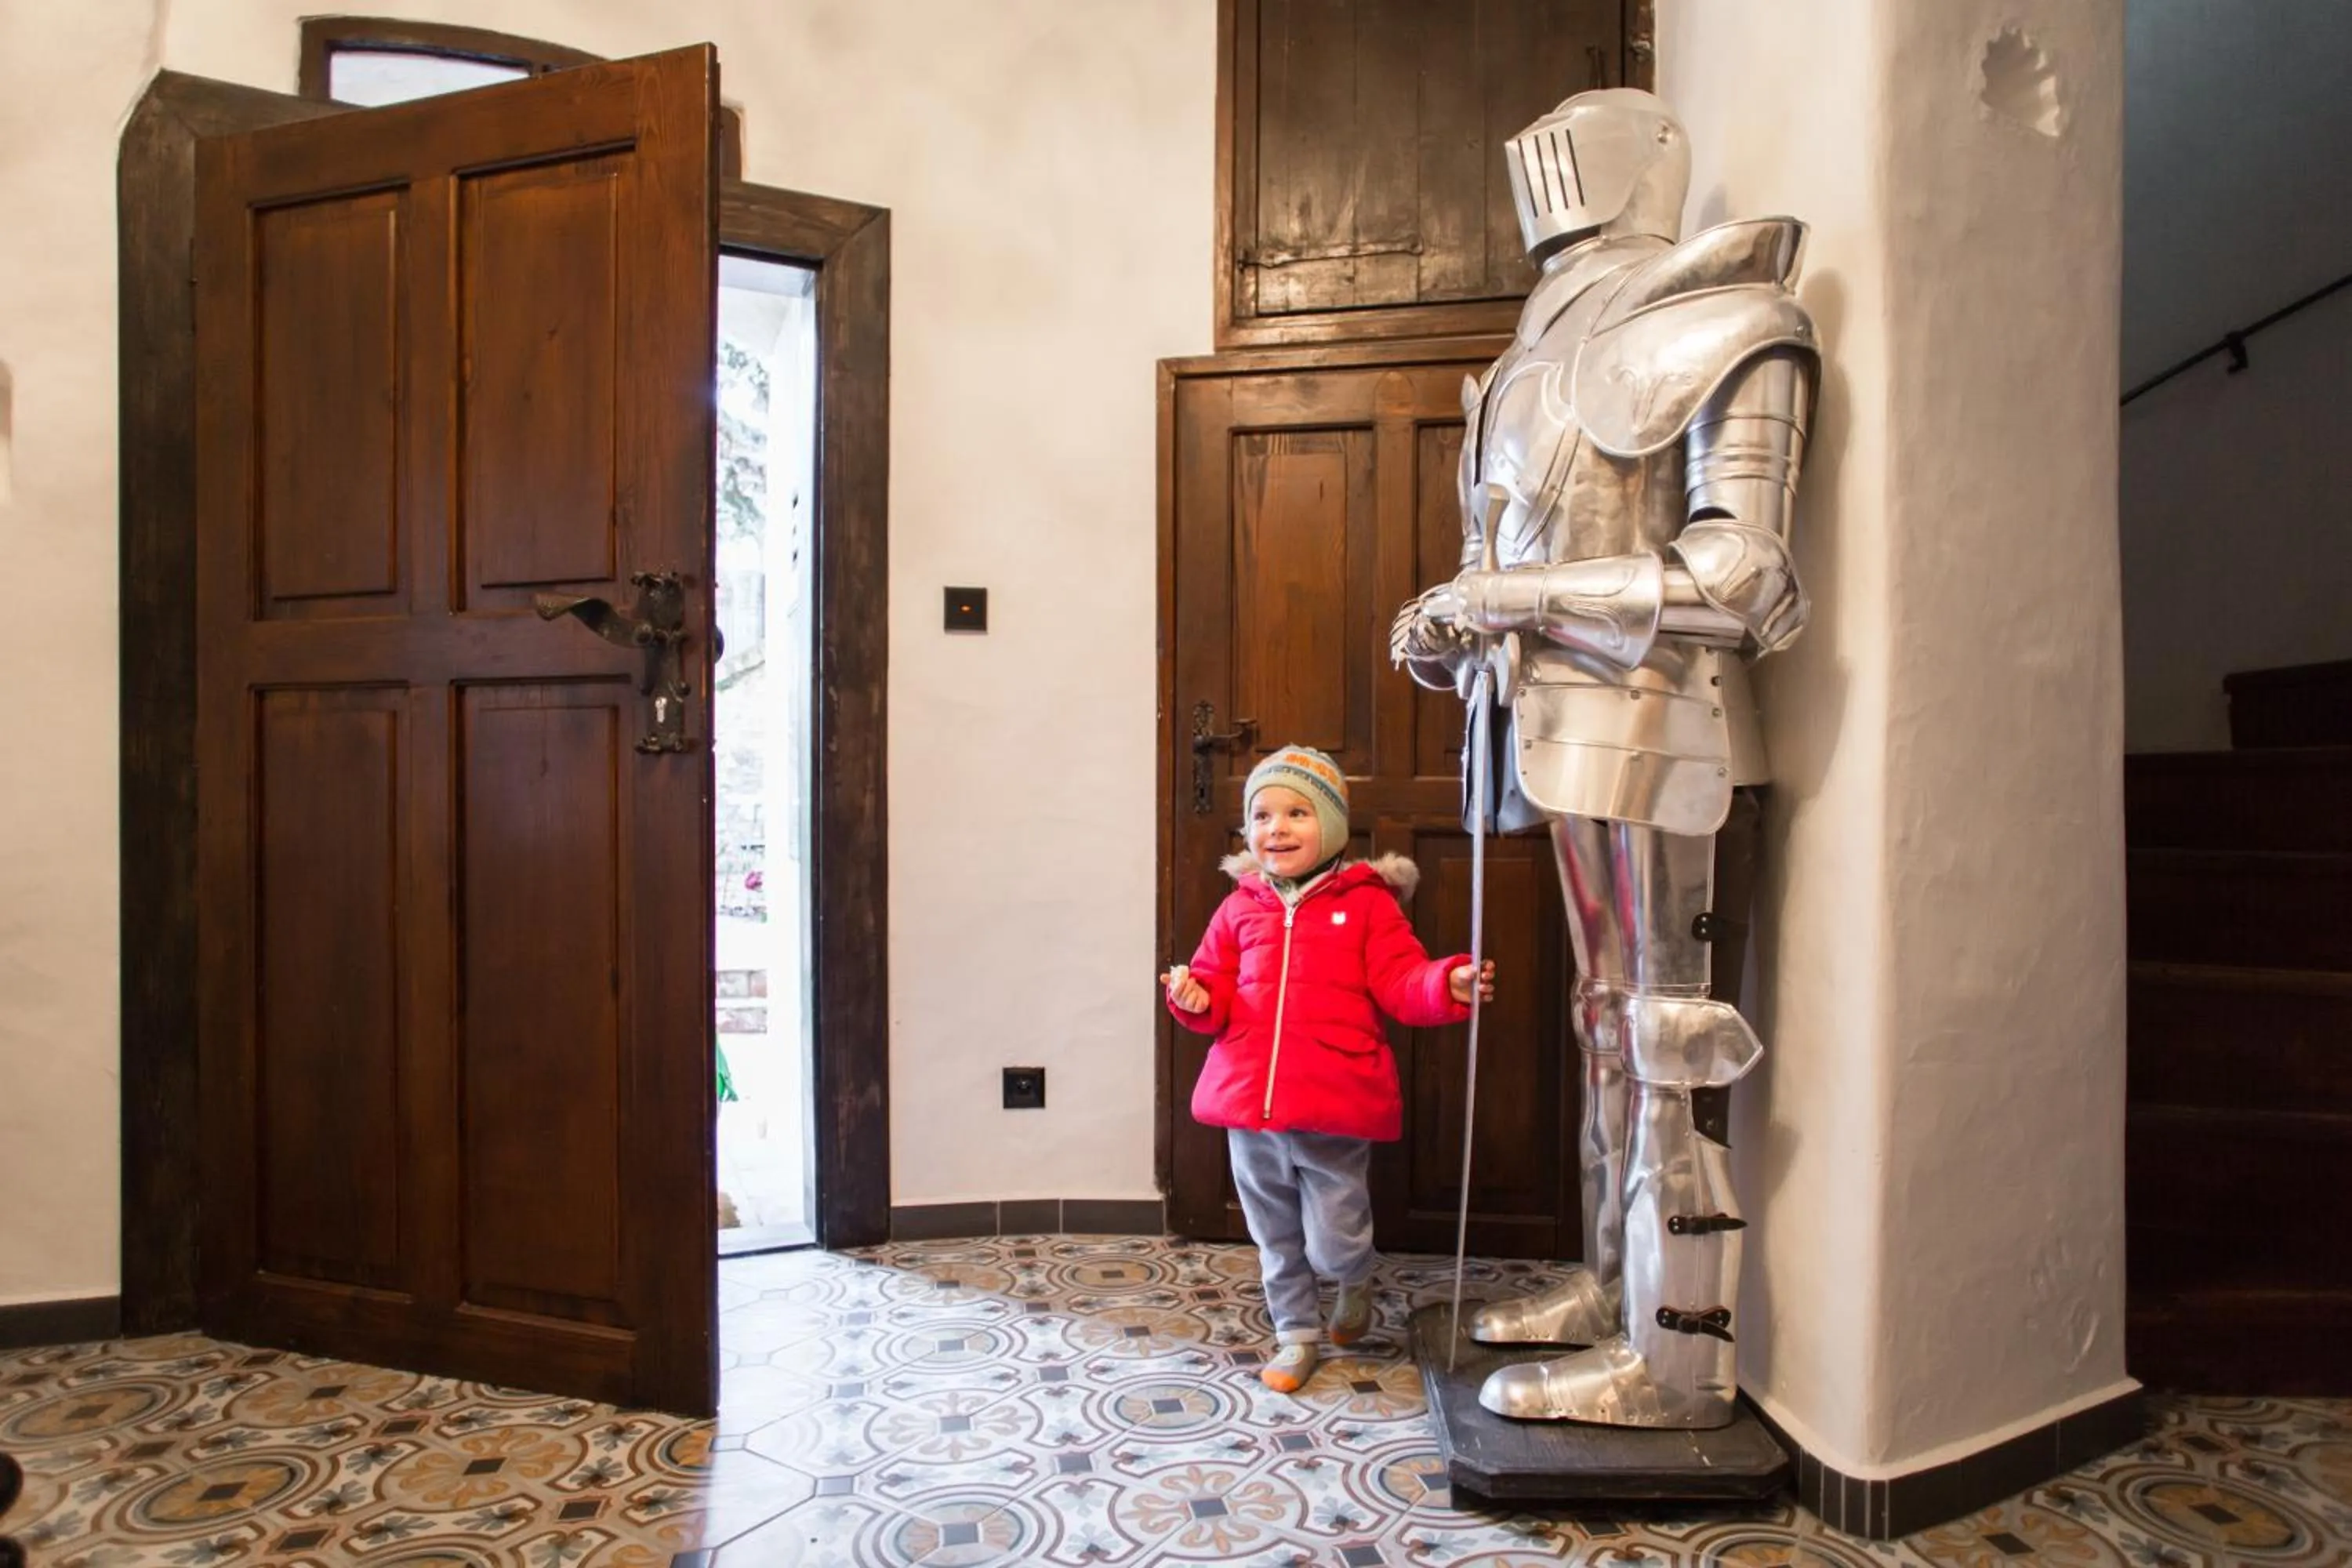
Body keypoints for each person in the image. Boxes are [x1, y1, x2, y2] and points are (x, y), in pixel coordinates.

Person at [1391, 86, 1820, 1428]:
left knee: (1666, 1033)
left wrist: (1509, 603)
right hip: (1562, 728)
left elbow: (1746, 577)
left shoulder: (1733, 319)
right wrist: (1450, 620)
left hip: (1669, 722)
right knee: (1601, 1023)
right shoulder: (1531, 362)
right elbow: (1509, 546)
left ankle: (1680, 1359)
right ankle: (1608, 1282)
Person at [1164, 745, 1494, 1393]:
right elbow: (1213, 984)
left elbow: (1403, 979)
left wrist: (1445, 984)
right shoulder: (1239, 907)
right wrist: (1194, 998)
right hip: (1247, 1102)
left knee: (1333, 1236)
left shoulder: (1367, 904)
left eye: (1296, 813)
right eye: (1261, 816)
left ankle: (1352, 1275)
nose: (1276, 829)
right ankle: (1296, 1332)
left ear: (1334, 826)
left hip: (1333, 1102)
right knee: (1274, 1233)